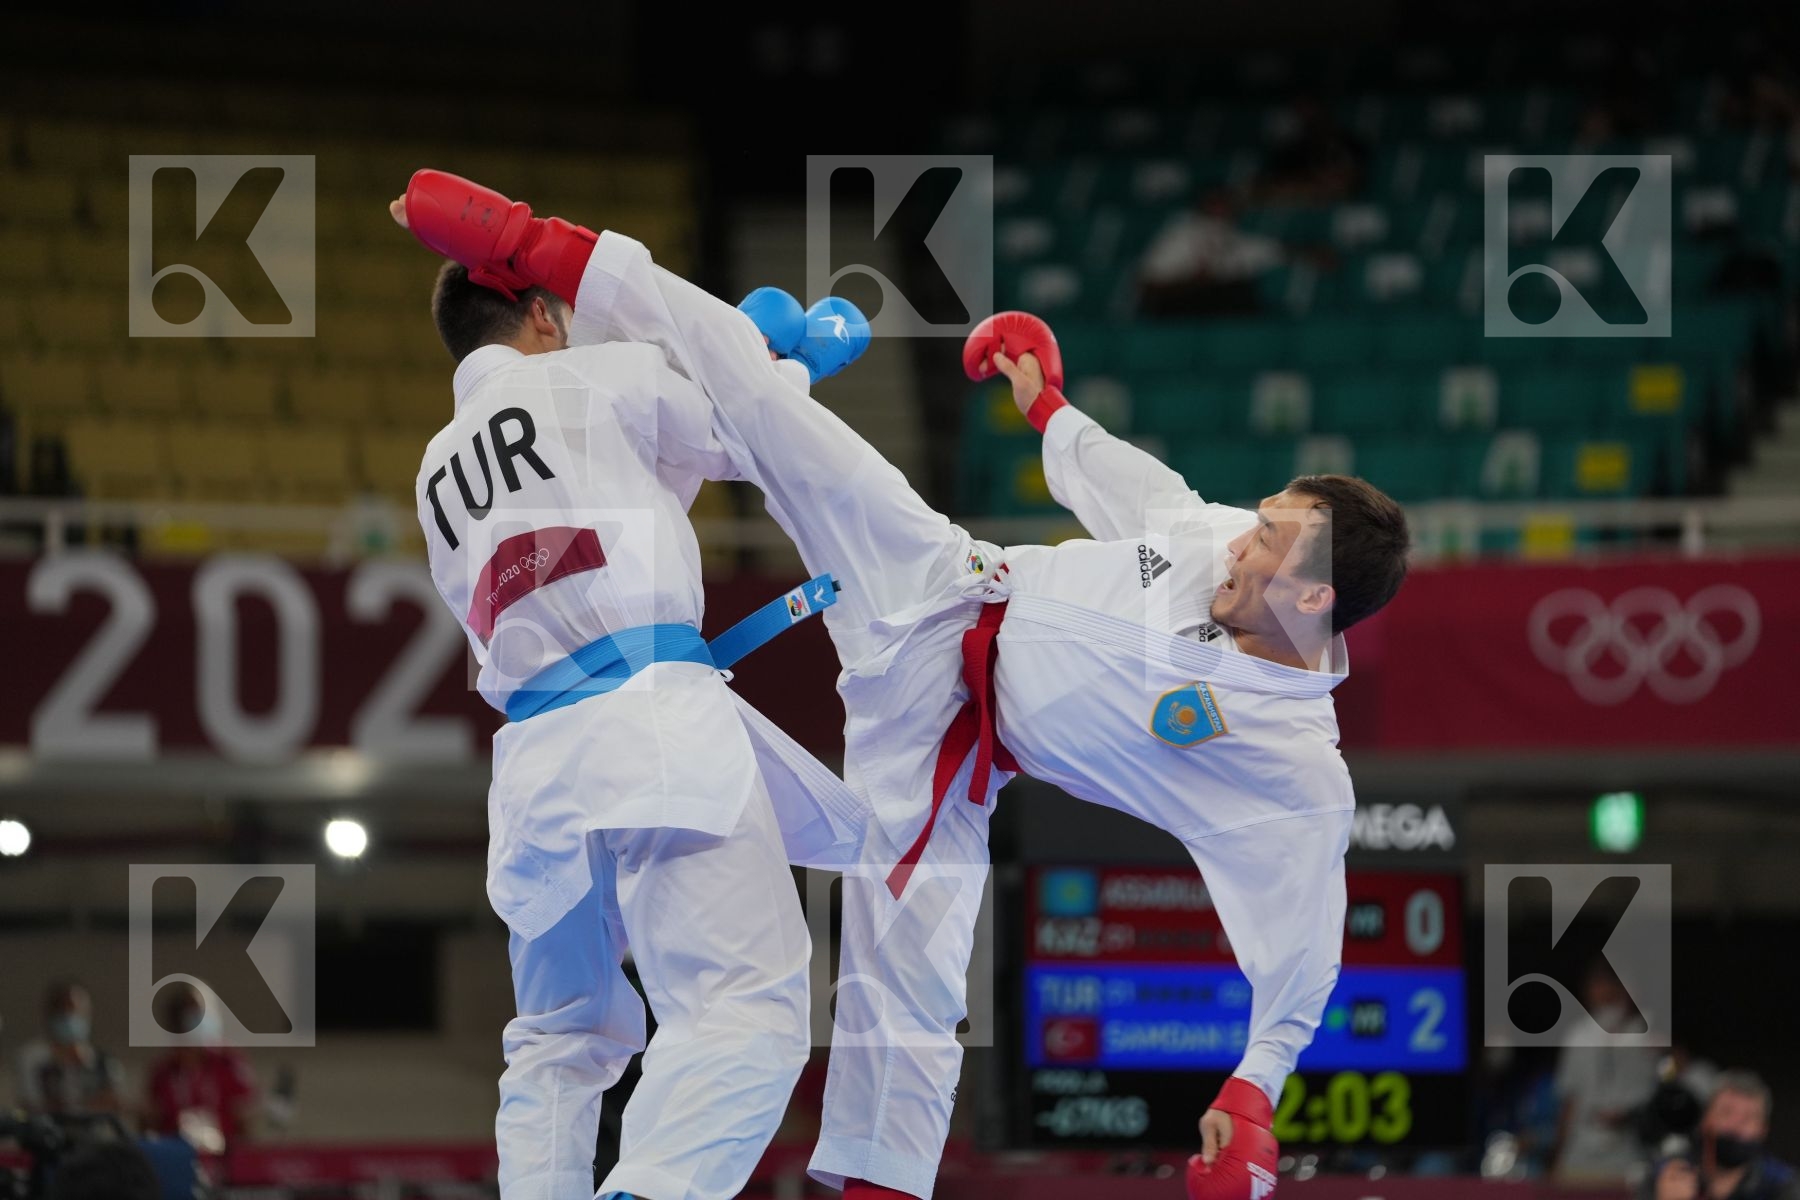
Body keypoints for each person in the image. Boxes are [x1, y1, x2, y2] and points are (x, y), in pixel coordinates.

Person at [399, 170, 1410, 1200]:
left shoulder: (1295, 773)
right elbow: (1133, 485)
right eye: (1259, 517)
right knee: (768, 416)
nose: (1242, 537)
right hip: (936, 585)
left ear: (1315, 597)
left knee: (911, 959)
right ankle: (540, 240)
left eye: (1270, 537)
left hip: (953, 758)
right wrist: (1048, 404)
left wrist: (1255, 1091)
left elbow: (1306, 947)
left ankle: (873, 1187)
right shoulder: (1210, 539)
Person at [389, 198, 867, 1200]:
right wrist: (790, 364)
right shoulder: (603, 374)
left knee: (562, 1036)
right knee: (745, 1011)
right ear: (543, 316)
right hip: (652, 731)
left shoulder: (435, 471)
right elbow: (753, 441)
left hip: (533, 770)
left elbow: (599, 522)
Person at [1551, 961, 1663, 1185]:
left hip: (1628, 1156)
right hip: (1580, 1154)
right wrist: (1558, 1155)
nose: (1604, 994)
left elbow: (1663, 1086)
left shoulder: (1647, 1035)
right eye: (1597, 986)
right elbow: (1569, 1102)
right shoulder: (1577, 1036)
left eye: (1613, 988)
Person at [143, 983, 258, 1154]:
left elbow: (245, 1119)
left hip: (225, 1159)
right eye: (197, 1014)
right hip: (178, 1160)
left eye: (208, 1013)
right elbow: (150, 1123)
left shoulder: (229, 1062)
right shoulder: (163, 1072)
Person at [1647, 1071, 1800, 1200]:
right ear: (1705, 1119)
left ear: (1763, 1130)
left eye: (1749, 1117)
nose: (1736, 1125)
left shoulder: (1783, 1185)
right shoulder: (1666, 1175)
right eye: (1726, 1112)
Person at [15, 983, 124, 1123]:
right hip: (45, 1136)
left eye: (77, 1011)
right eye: (63, 1010)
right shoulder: (31, 1057)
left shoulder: (103, 1060)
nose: (71, 1017)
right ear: (50, 1014)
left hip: (93, 1137)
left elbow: (114, 1102)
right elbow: (28, 1106)